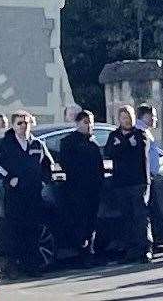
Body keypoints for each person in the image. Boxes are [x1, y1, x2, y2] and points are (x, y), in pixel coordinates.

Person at [0, 111, 54, 274]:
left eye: (26, 122)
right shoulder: (5, 145)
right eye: (19, 123)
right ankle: (14, 265)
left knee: (32, 230)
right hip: (14, 194)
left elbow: (48, 165)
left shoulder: (37, 144)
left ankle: (32, 266)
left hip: (33, 194)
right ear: (13, 125)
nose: (23, 126)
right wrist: (9, 178)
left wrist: (43, 181)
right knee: (15, 231)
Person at [104, 106, 153, 263]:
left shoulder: (140, 134)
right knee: (126, 217)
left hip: (138, 182)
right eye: (124, 117)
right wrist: (126, 144)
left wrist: (122, 145)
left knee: (141, 217)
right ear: (119, 119)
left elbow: (139, 150)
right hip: (121, 183)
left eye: (129, 117)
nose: (127, 120)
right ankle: (130, 250)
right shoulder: (114, 135)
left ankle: (145, 249)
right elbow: (109, 152)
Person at [58, 110, 104, 262]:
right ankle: (81, 252)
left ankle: (90, 252)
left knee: (92, 222)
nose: (89, 125)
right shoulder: (68, 142)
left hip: (93, 189)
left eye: (91, 122)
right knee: (80, 222)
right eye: (86, 122)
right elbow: (66, 165)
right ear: (78, 123)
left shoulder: (93, 143)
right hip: (76, 190)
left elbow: (99, 166)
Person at [136, 105, 163, 177]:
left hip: (149, 174)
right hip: (143, 175)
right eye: (154, 116)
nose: (156, 119)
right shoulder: (138, 131)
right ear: (146, 116)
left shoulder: (145, 130)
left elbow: (151, 148)